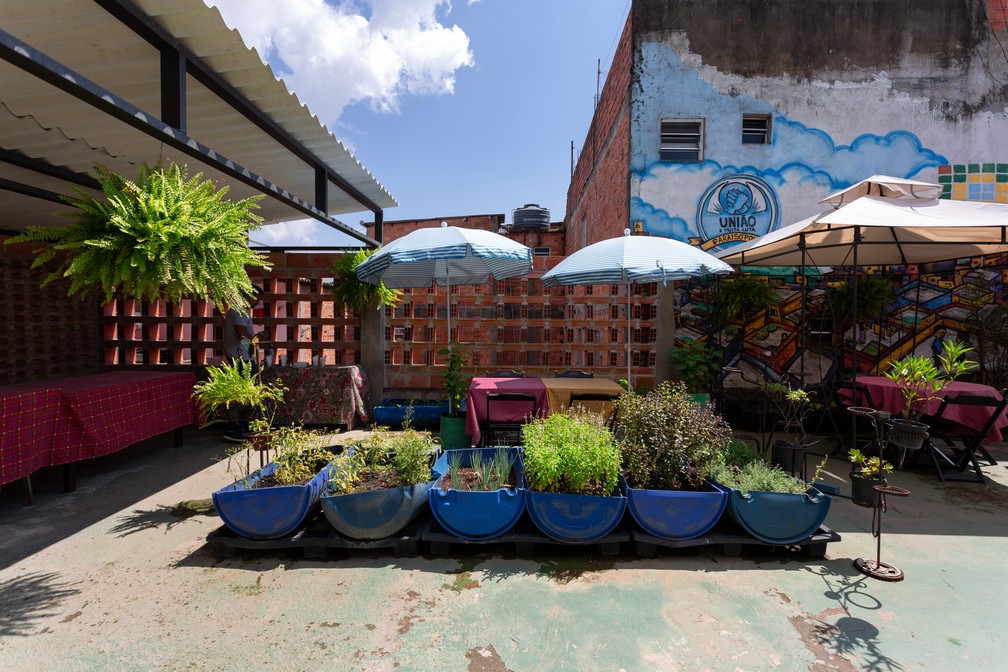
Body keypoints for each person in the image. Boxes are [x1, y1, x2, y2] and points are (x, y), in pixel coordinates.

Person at [221, 289, 267, 443]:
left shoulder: (236, 310)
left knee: (243, 392)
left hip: (240, 355)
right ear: (249, 296)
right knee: (244, 393)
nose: (258, 302)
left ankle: (241, 426)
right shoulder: (240, 311)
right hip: (240, 357)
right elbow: (240, 333)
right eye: (256, 298)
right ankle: (236, 428)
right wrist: (254, 339)